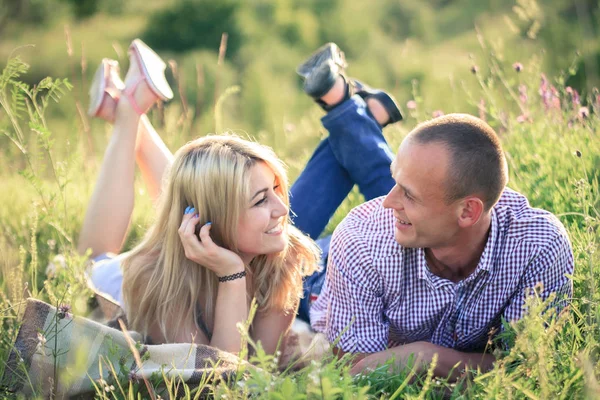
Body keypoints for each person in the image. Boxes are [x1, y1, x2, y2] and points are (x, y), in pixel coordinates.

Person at [80, 41, 403, 354]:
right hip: (121, 277)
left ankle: (131, 109)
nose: (282, 208)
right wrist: (232, 274)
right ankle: (128, 114)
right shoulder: (163, 285)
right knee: (91, 260)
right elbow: (218, 378)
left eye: (276, 189)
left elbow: (260, 361)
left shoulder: (283, 258)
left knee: (201, 186)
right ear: (212, 220)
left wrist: (235, 272)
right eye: (261, 200)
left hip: (210, 229)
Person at [299, 45, 574, 379]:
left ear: (469, 211)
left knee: (415, 188)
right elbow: (356, 373)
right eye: (396, 183)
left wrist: (428, 359)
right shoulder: (363, 239)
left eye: (407, 194)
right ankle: (354, 113)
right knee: (276, 240)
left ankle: (354, 111)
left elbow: (530, 368)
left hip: (422, 225)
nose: (388, 200)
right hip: (316, 273)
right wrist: (442, 363)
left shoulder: (537, 244)